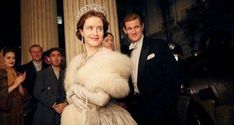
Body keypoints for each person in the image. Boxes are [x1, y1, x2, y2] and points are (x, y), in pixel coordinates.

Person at [61, 4, 137, 125]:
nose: (95, 33)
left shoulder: (110, 59)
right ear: (81, 31)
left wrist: (75, 90)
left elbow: (101, 100)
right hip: (78, 118)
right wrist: (72, 97)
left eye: (100, 28)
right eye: (90, 28)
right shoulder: (77, 62)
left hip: (105, 119)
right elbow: (71, 94)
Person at [122, 13, 181, 125]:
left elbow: (174, 74)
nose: (133, 31)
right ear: (125, 30)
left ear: (142, 27)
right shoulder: (125, 53)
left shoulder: (158, 45)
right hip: (138, 109)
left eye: (136, 27)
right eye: (129, 28)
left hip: (161, 108)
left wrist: (166, 102)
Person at [32, 47, 67, 125]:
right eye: (53, 56)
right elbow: (37, 92)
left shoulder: (67, 74)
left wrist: (65, 104)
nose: (56, 58)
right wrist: (53, 104)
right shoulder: (42, 74)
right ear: (48, 59)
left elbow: (70, 92)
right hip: (45, 112)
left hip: (62, 112)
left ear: (61, 58)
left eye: (58, 55)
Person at [18, 44, 48, 125]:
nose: (37, 54)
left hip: (47, 105)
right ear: (30, 54)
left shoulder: (49, 67)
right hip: (30, 106)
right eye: (34, 52)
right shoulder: (23, 68)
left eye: (39, 52)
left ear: (42, 53)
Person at [0, 48, 26, 125]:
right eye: (8, 58)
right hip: (5, 112)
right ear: (2, 58)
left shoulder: (17, 73)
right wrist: (15, 84)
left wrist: (20, 83)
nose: (12, 60)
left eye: (13, 58)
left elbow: (22, 95)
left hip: (17, 109)